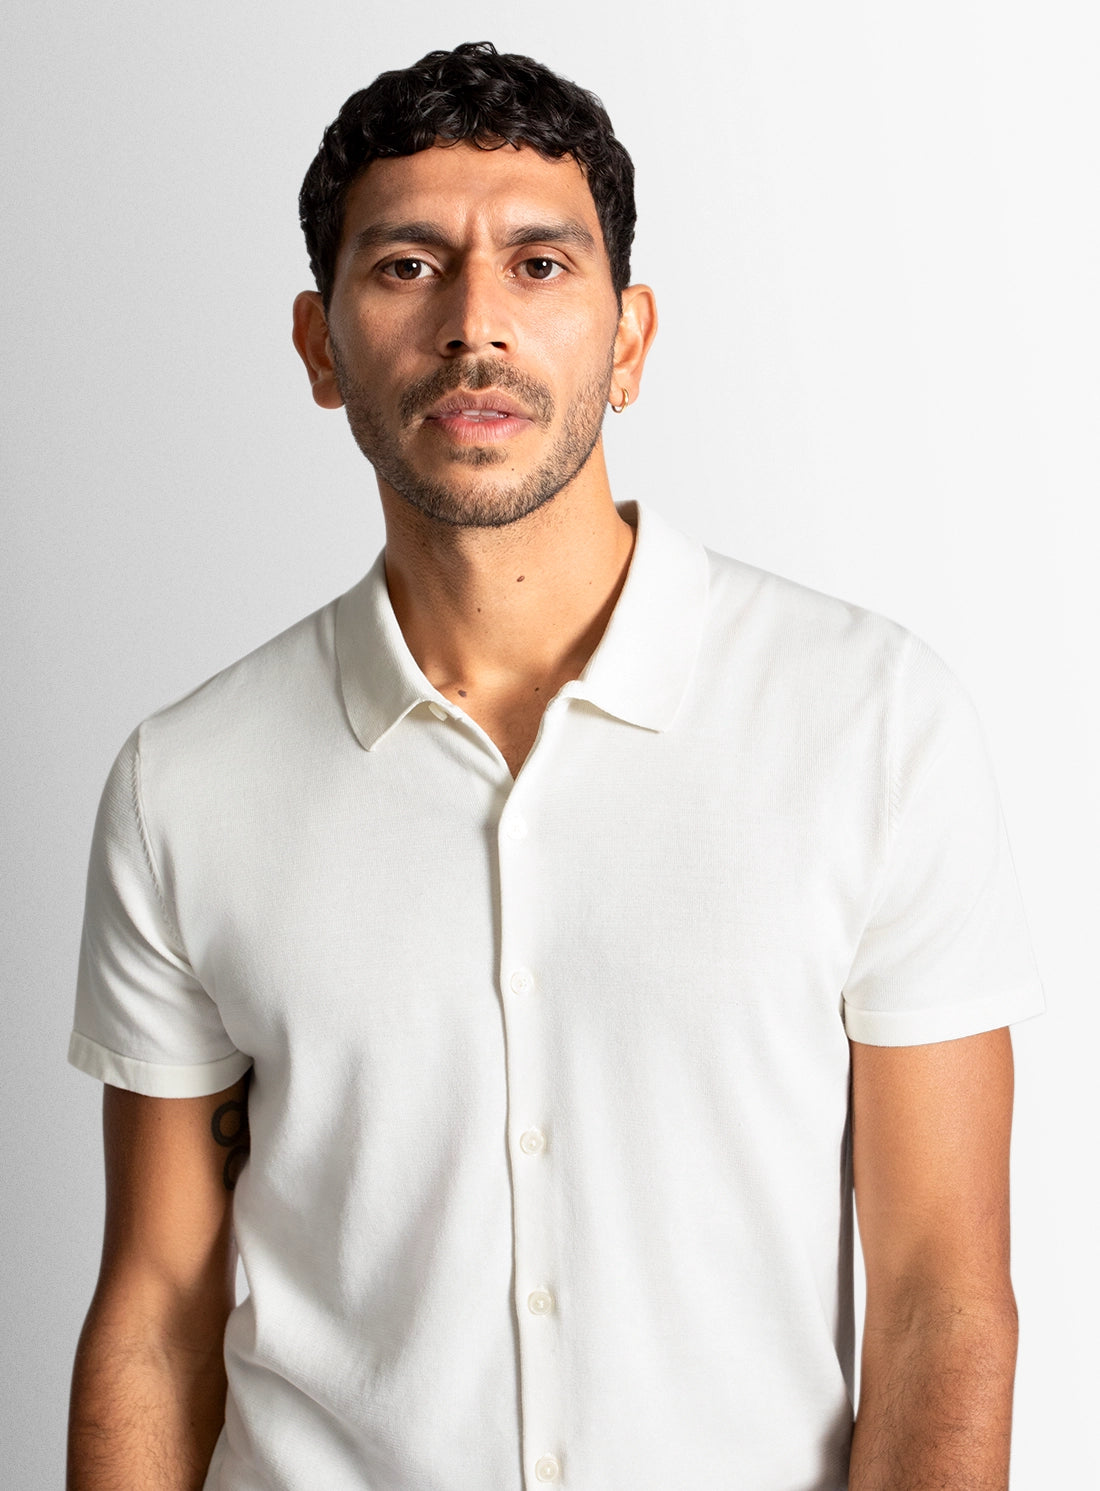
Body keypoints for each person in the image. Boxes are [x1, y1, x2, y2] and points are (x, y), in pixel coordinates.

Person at [66, 40, 1044, 1491]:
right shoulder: (183, 783)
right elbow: (154, 1308)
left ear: (630, 340)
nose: (476, 324)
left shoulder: (871, 722)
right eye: (407, 266)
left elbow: (940, 1303)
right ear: (320, 348)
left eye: (538, 265)